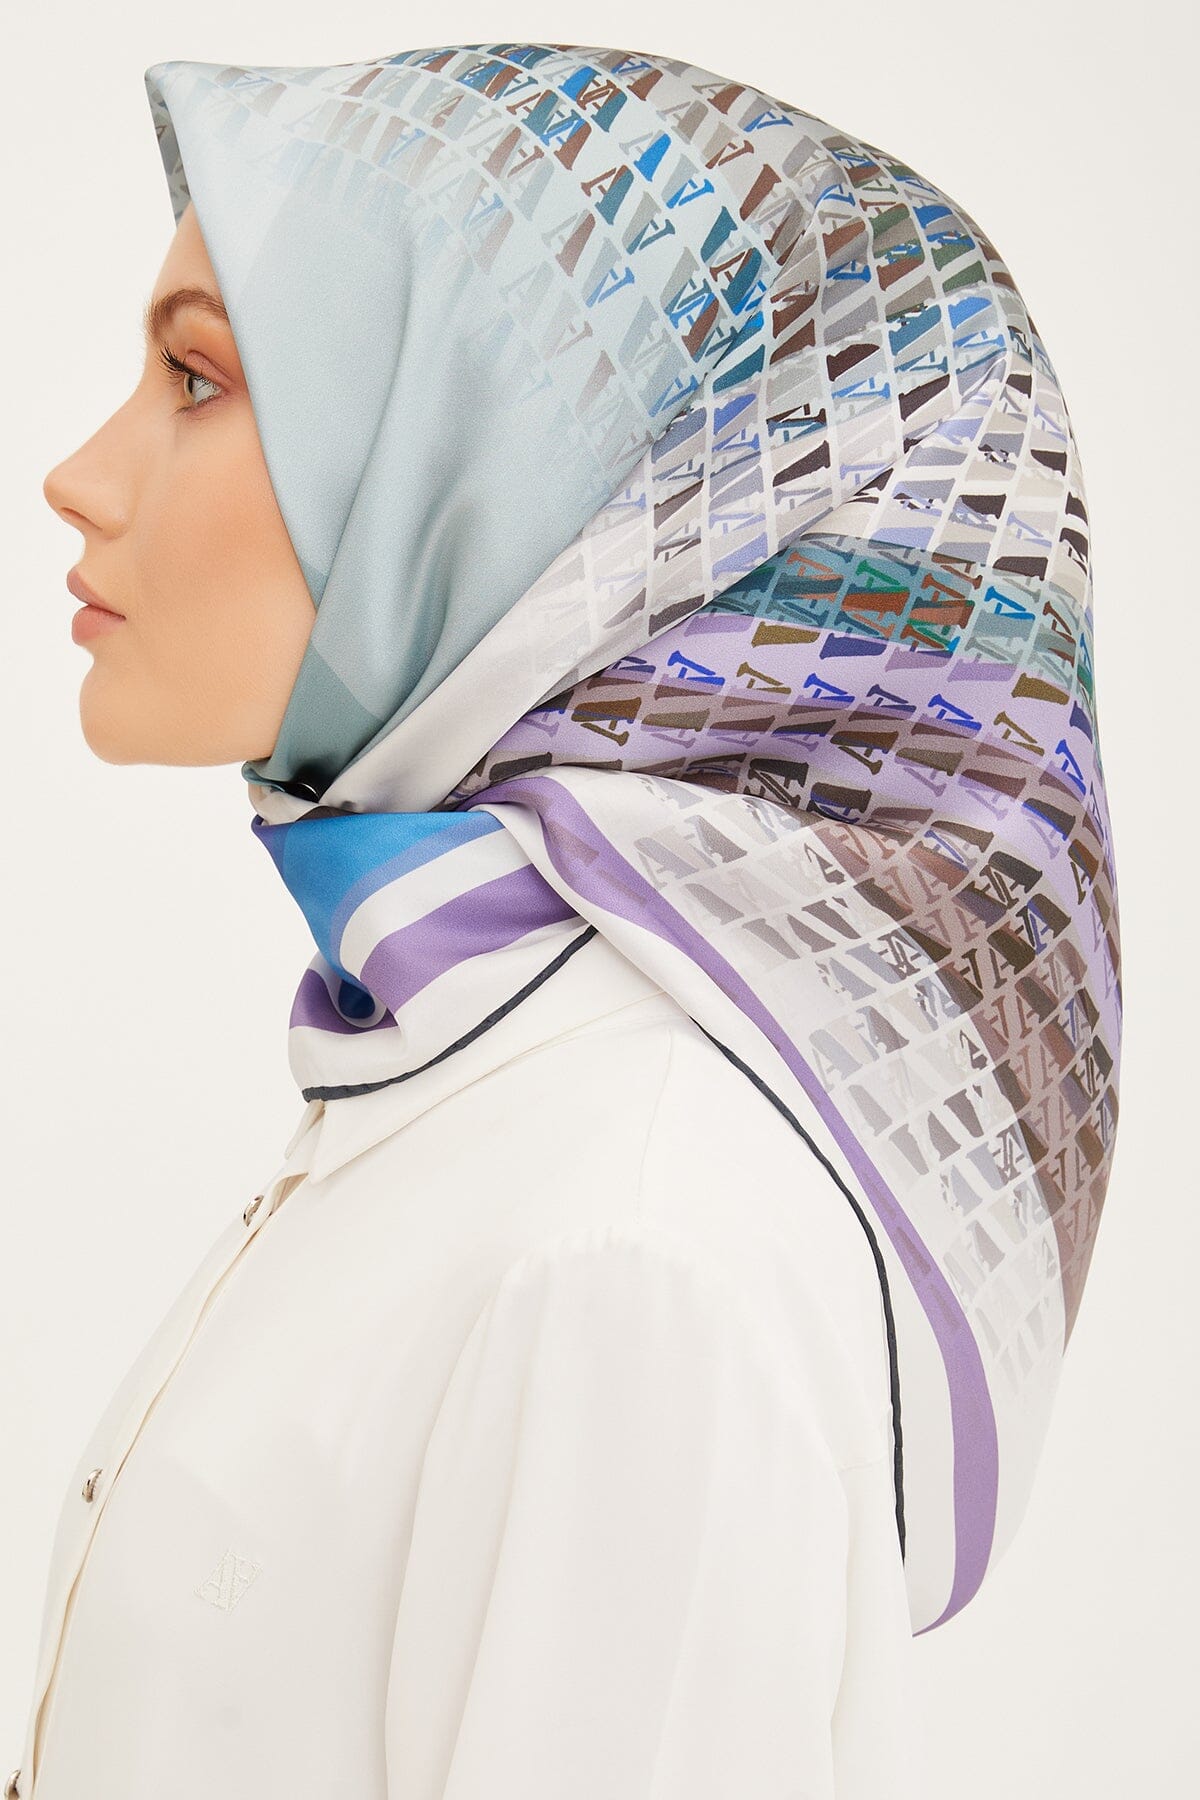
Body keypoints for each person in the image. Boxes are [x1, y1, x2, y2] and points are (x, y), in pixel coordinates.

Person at [11, 39, 1120, 1800]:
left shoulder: (631, 1253)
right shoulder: (466, 1100)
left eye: (198, 379)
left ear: (505, 486)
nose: (81, 473)